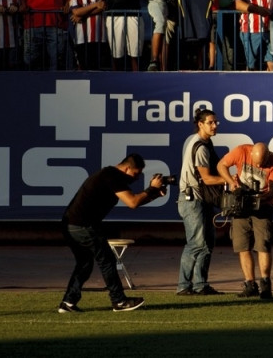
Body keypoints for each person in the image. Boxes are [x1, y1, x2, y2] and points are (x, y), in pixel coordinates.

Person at [58, 153, 162, 313]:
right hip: (82, 225)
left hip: (71, 224)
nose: (136, 178)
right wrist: (151, 189)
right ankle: (119, 301)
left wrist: (154, 194)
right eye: (136, 173)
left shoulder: (110, 175)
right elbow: (132, 202)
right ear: (127, 168)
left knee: (85, 264)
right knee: (106, 260)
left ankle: (68, 303)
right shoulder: (111, 176)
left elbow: (134, 201)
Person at [216, 142, 273, 300]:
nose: (260, 165)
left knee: (263, 245)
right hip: (240, 204)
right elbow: (221, 165)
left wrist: (260, 196)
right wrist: (232, 183)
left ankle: (265, 284)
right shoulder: (241, 151)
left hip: (263, 206)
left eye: (263, 163)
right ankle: (249, 284)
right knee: (242, 245)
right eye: (257, 162)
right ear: (251, 153)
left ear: (268, 155)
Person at [178, 108, 229, 296]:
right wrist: (231, 180)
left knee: (207, 243)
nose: (215, 126)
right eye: (211, 122)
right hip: (192, 200)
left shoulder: (204, 143)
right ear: (200, 124)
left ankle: (200, 284)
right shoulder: (200, 146)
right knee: (196, 243)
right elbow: (207, 178)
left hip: (200, 199)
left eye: (216, 122)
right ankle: (184, 285)